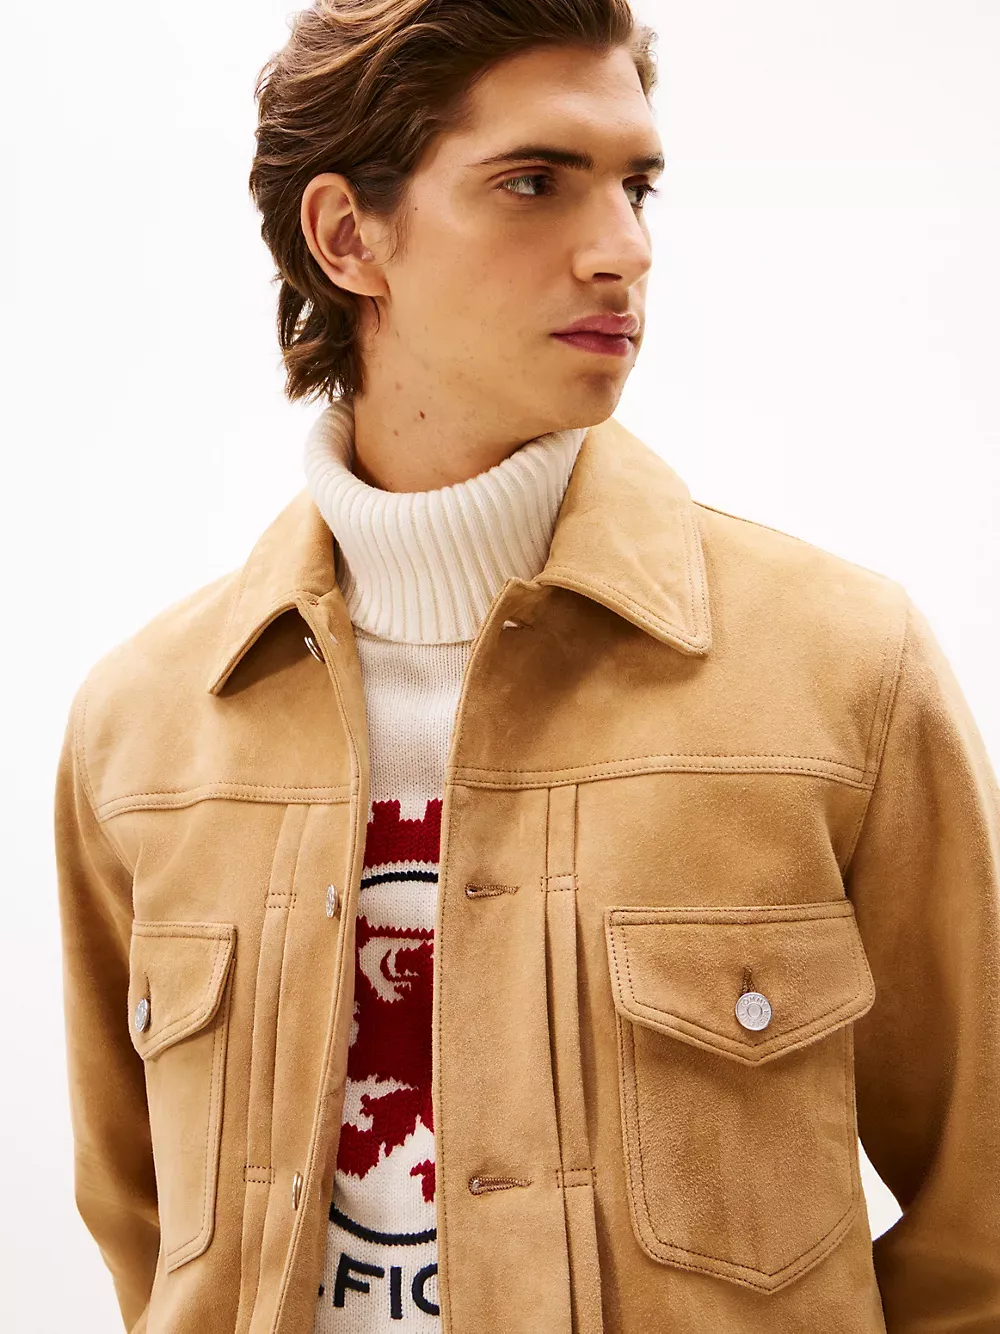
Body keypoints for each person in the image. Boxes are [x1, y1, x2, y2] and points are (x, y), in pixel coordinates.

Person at [53, 1, 1000, 1330]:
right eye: (536, 182)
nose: (624, 250)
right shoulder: (139, 733)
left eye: (637, 186)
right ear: (348, 236)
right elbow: (145, 1232)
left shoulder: (845, 674)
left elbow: (981, 1222)